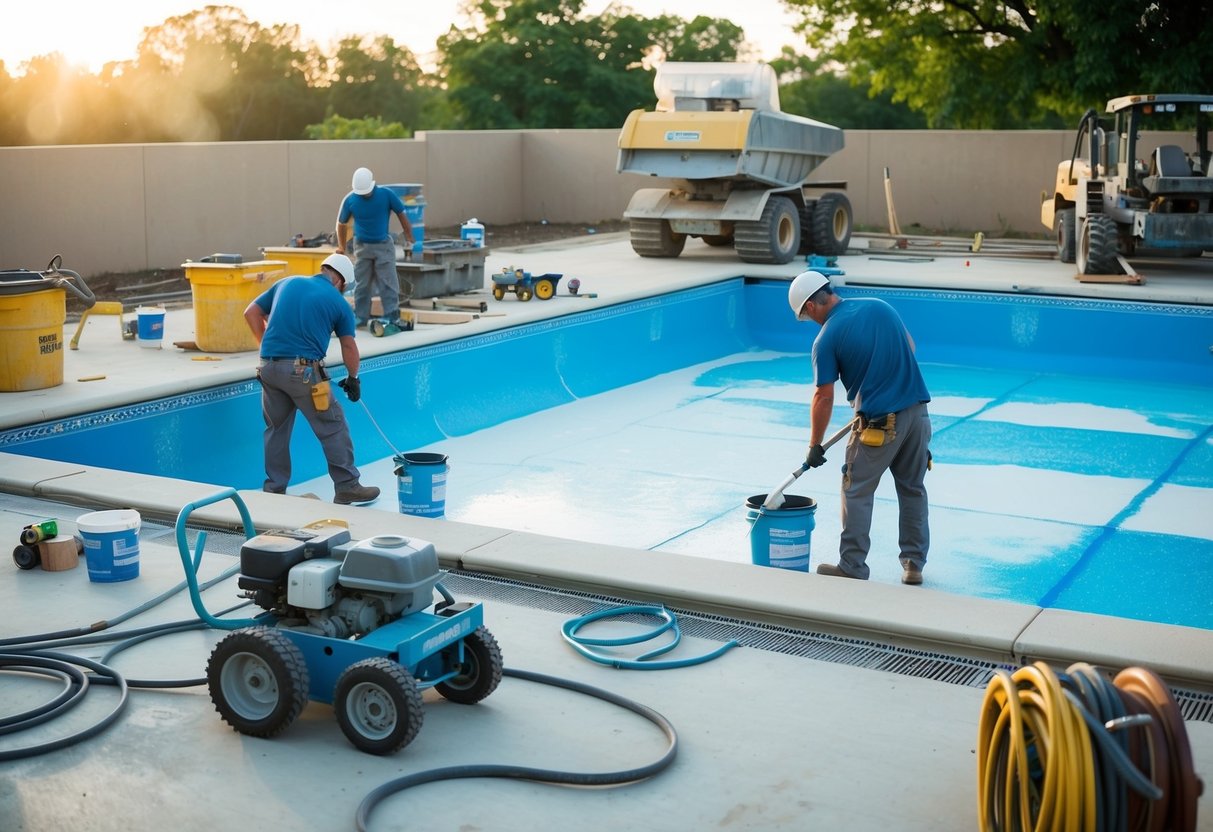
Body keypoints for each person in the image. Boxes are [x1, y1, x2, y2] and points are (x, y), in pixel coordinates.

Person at [787, 270, 932, 585]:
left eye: (804, 316)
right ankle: (913, 565)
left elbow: (823, 398)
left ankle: (852, 566)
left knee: (856, 490)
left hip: (880, 425)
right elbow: (910, 346)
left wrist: (815, 445)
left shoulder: (826, 337)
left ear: (810, 307)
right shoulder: (879, 307)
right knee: (912, 489)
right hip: (918, 417)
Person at [243, 253, 380, 505]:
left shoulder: (287, 283)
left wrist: (268, 348)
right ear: (340, 281)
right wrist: (353, 378)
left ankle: (274, 492)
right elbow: (349, 347)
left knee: (276, 430)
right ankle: (348, 485)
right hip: (304, 373)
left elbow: (251, 312)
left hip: (269, 369)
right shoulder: (338, 304)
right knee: (332, 425)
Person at [336, 166, 415, 328]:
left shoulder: (386, 195)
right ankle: (361, 316)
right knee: (362, 283)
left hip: (383, 246)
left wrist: (409, 237)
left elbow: (402, 215)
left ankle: (392, 314)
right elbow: (341, 224)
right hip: (362, 247)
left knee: (387, 281)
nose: (364, 194)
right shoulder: (350, 199)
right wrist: (341, 246)